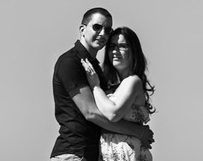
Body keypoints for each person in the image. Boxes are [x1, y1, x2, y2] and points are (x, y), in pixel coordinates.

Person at [50, 9, 154, 161]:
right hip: (73, 153)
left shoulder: (96, 70)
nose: (102, 33)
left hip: (94, 154)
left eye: (107, 30)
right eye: (97, 27)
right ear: (82, 29)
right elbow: (90, 112)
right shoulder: (70, 62)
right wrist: (138, 132)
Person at [80, 27, 155, 161]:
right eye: (112, 47)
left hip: (128, 154)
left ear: (134, 51)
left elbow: (113, 114)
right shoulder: (112, 87)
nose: (115, 51)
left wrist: (95, 86)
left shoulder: (133, 81)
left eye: (122, 46)